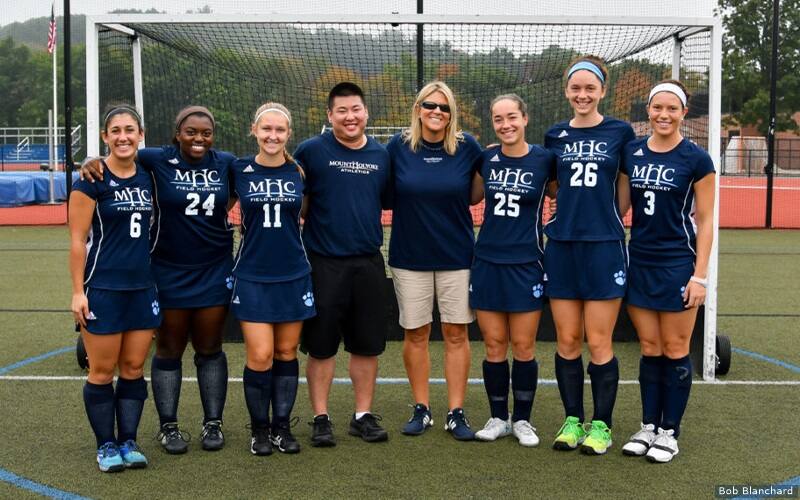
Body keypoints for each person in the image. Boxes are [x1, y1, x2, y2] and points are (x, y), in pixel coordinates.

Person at [81, 106, 235, 455]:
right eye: (190, 132)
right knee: (168, 350)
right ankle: (169, 426)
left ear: (213, 135)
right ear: (176, 133)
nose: (198, 139)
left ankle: (213, 422)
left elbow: (258, 175)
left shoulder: (226, 162)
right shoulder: (157, 159)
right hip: (167, 270)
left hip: (213, 269)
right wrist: (90, 159)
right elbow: (121, 151)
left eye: (205, 133)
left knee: (211, 350)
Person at [544, 56, 636, 455]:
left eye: (589, 88)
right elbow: (550, 187)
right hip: (562, 247)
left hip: (603, 247)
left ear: (602, 90)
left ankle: (602, 426)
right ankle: (571, 421)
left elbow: (625, 189)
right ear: (566, 91)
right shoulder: (554, 135)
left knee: (599, 341)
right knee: (567, 339)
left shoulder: (621, 131)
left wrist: (605, 218)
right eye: (575, 88)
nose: (582, 95)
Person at [619, 80, 715, 463]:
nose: (663, 115)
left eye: (671, 109)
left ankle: (669, 432)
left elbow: (706, 221)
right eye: (657, 108)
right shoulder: (632, 153)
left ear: (683, 113)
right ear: (648, 110)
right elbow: (620, 208)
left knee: (676, 350)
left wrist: (700, 276)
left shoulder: (696, 159)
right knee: (649, 348)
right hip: (639, 260)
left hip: (678, 263)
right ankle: (648, 426)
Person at [295, 82, 391, 446]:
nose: (350, 117)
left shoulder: (382, 155)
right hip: (323, 263)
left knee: (366, 345)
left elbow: (382, 201)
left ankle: (362, 415)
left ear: (366, 113)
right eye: (342, 111)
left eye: (356, 109)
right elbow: (300, 203)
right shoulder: (311, 151)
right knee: (321, 346)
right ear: (330, 115)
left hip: (367, 263)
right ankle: (321, 417)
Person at [386, 81, 483, 441]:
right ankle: (421, 408)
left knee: (456, 333)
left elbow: (488, 180)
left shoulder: (467, 147)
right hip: (409, 257)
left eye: (444, 107)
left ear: (452, 113)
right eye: (430, 105)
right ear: (418, 108)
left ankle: (456, 412)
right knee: (417, 333)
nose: (436, 112)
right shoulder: (397, 147)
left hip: (456, 255)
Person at [69, 105, 158, 472]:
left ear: (141, 135)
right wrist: (78, 292)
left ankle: (129, 441)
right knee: (102, 371)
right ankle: (106, 445)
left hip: (143, 289)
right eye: (115, 130)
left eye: (130, 130)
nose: (123, 136)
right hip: (103, 287)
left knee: (135, 367)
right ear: (105, 136)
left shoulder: (151, 175)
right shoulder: (91, 179)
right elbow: (77, 240)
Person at [470, 94, 555, 447]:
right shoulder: (486, 159)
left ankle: (522, 420)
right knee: (493, 345)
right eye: (498, 119)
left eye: (511, 118)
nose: (505, 125)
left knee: (523, 345)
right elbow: (471, 198)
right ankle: (497, 417)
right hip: (488, 262)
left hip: (526, 264)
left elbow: (563, 196)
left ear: (525, 118)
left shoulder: (544, 160)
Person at [230, 102, 314, 456]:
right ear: (254, 130)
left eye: (279, 130)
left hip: (293, 273)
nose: (272, 136)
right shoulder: (238, 170)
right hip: (252, 275)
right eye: (266, 129)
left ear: (288, 134)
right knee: (261, 354)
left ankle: (281, 427)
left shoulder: (300, 173)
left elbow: (305, 215)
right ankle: (259, 430)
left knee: (285, 351)